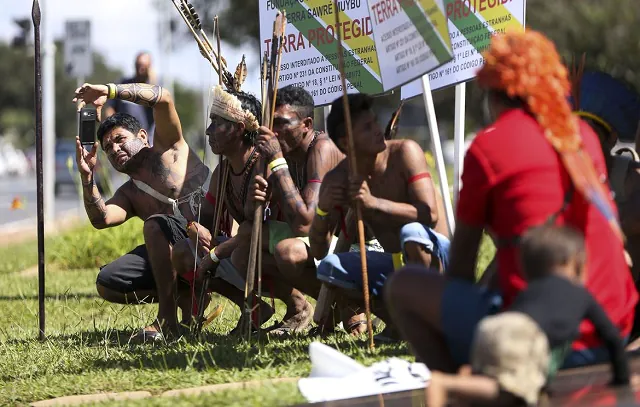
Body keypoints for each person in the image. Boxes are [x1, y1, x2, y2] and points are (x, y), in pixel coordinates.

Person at [385, 30, 637, 373]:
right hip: (614, 329)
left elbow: (461, 267)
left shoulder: (489, 148)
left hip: (540, 340)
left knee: (403, 287)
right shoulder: (582, 137)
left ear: (493, 93)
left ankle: (456, 387)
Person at [426, 225, 630, 407]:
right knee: (511, 393)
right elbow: (611, 336)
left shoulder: (529, 292)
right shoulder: (580, 295)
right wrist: (622, 379)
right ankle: (446, 385)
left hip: (494, 327)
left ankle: (467, 380)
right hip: (521, 335)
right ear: (574, 264)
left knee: (497, 382)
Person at [74, 81, 212, 341]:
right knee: (109, 281)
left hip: (215, 238)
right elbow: (102, 218)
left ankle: (167, 320)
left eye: (119, 139)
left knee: (154, 225)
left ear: (142, 136)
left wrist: (111, 91)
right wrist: (87, 177)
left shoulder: (170, 148)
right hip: (178, 252)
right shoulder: (130, 193)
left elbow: (165, 98)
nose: (114, 149)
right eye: (107, 148)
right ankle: (185, 293)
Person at [308, 93, 450, 339]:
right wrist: (322, 209)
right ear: (345, 142)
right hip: (395, 263)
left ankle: (430, 321)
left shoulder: (406, 152)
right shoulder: (339, 179)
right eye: (367, 127)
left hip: (439, 259)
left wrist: (373, 203)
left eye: (374, 122)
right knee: (330, 269)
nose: (377, 130)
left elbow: (430, 215)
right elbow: (319, 252)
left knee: (412, 233)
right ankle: (397, 322)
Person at [228, 85, 345, 335]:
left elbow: (305, 224)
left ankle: (346, 309)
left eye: (282, 123)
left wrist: (277, 160)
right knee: (243, 250)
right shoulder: (286, 151)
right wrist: (258, 189)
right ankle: (300, 309)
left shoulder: (321, 149)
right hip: (320, 240)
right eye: (270, 124)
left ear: (306, 124)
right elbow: (251, 217)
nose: (274, 131)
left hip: (350, 243)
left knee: (288, 252)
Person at [170, 85, 276, 334]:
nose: (208, 131)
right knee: (187, 250)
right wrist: (193, 227)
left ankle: (298, 307)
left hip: (277, 257)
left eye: (216, 123)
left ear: (239, 128)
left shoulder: (263, 165)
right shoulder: (223, 172)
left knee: (238, 252)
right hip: (245, 254)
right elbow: (205, 220)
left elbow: (257, 227)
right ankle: (253, 307)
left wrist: (218, 253)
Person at [103, 52, 157, 144]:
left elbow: (157, 107)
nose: (140, 69)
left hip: (147, 140)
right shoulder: (124, 84)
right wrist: (114, 127)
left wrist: (152, 82)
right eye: (138, 65)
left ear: (150, 67)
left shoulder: (155, 88)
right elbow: (110, 109)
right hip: (125, 139)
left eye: (144, 66)